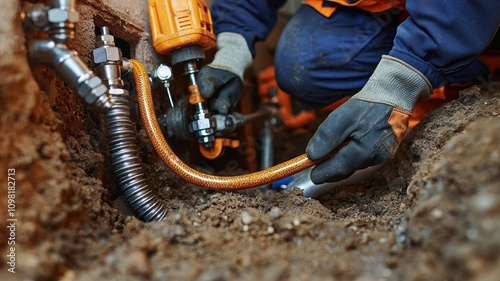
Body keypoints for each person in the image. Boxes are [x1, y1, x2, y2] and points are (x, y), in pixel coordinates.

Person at [197, 0, 500, 185]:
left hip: (469, 12)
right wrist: (233, 45)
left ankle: (475, 68)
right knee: (304, 64)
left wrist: (398, 83)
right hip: (385, 7)